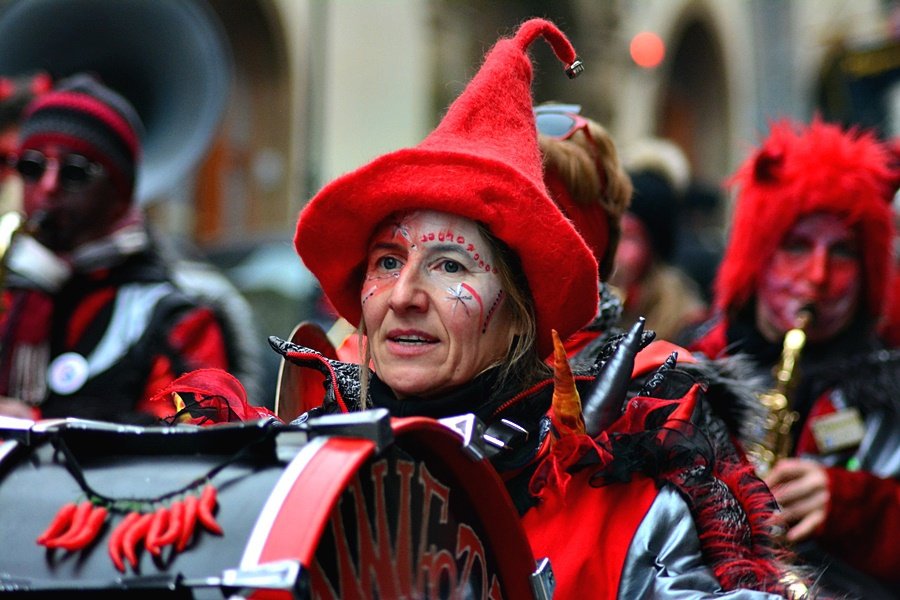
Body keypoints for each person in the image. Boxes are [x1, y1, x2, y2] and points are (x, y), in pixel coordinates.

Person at [274, 19, 804, 598]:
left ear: (523, 312)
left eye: (450, 265)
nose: (403, 296)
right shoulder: (296, 463)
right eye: (386, 262)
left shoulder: (627, 490)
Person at [688, 119, 900, 598]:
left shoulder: (892, 380)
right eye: (797, 245)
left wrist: (855, 507)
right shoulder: (689, 366)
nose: (818, 276)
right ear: (757, 253)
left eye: (842, 251)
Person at [0, 74, 233, 423]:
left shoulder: (178, 321)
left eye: (75, 172)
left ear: (120, 195)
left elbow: (196, 438)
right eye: (32, 166)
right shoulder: (11, 300)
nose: (47, 186)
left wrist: (40, 426)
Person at [608, 138, 707, 343]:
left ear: (655, 250)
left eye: (630, 237)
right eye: (612, 232)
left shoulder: (686, 326)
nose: (615, 250)